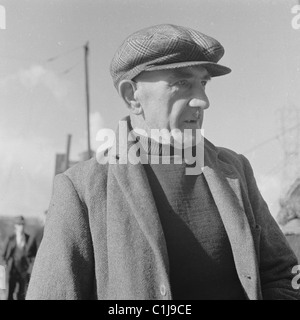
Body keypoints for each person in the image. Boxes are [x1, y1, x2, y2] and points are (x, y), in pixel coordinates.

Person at [27, 24, 300, 300]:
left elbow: (286, 276)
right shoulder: (81, 189)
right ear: (132, 96)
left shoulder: (236, 170)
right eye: (181, 83)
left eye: (203, 83)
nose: (203, 101)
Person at [2, 216, 31, 300]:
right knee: (10, 292)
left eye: (22, 224)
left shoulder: (28, 238)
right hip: (12, 270)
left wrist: (30, 267)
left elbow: (32, 255)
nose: (20, 226)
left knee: (22, 293)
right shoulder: (10, 238)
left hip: (24, 271)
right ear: (15, 225)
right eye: (18, 224)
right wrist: (4, 264)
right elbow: (3, 254)